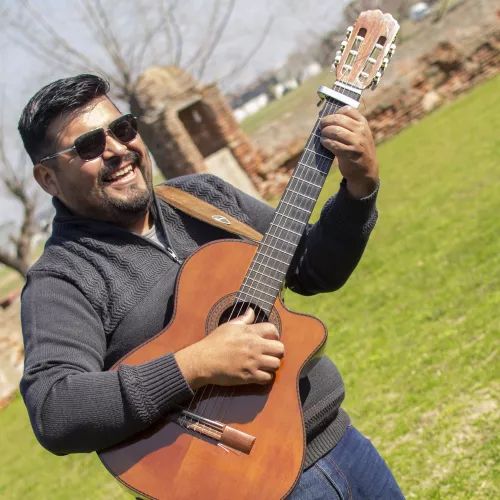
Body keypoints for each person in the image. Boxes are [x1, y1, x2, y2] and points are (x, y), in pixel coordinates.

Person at [18, 74, 405, 499]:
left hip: (342, 445)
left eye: (123, 129)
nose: (117, 150)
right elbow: (56, 409)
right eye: (89, 146)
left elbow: (312, 268)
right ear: (48, 178)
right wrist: (196, 364)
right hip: (241, 485)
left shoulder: (201, 197)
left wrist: (359, 189)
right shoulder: (61, 279)